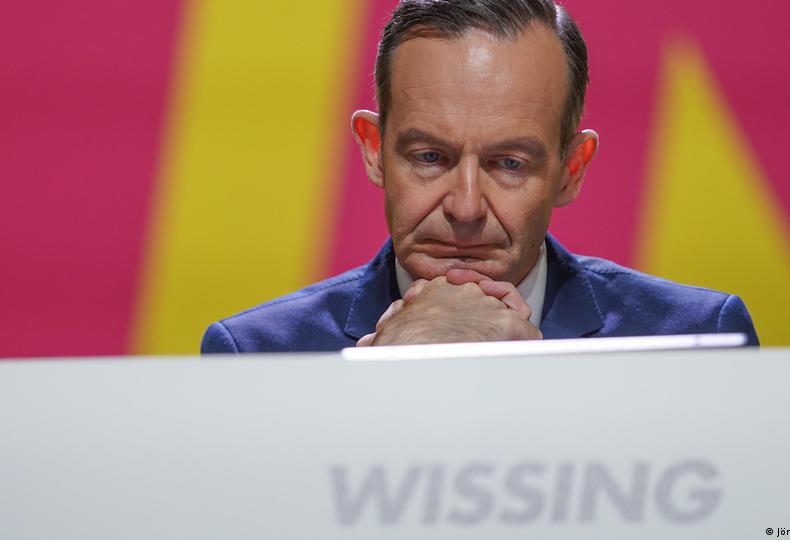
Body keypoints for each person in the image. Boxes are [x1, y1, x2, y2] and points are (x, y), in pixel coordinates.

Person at [201, 0, 758, 353]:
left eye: (509, 164)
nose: (465, 208)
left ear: (571, 169)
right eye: (429, 158)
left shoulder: (696, 342)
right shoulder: (257, 356)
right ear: (373, 150)